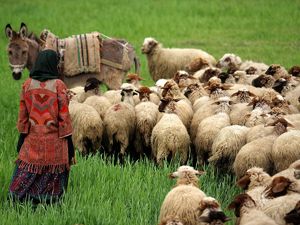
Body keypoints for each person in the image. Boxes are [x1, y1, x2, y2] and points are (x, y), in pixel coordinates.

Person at [8, 49, 75, 204]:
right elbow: (64, 119)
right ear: (52, 64)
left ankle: (20, 199)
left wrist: (21, 140)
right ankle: (48, 200)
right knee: (54, 172)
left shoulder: (26, 85)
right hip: (55, 145)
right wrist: (70, 146)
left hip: (32, 142)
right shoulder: (59, 85)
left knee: (26, 170)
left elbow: (22, 118)